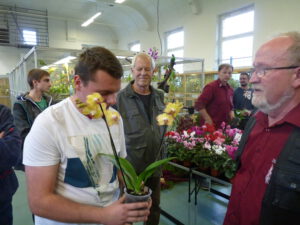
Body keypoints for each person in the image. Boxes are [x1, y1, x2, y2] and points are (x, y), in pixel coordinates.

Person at [23, 47, 151, 225]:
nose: (113, 100)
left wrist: (136, 193)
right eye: (104, 93)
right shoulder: (49, 124)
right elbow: (39, 202)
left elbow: (119, 169)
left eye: (115, 92)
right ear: (78, 83)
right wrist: (103, 216)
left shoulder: (114, 119)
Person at [224, 31, 300, 225]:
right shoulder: (256, 121)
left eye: (263, 70)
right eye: (253, 70)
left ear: (297, 75)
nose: (253, 79)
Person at [116, 52, 165, 225]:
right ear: (132, 71)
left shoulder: (160, 96)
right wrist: (119, 170)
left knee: (154, 208)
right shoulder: (120, 98)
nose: (143, 73)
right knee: (126, 210)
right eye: (139, 69)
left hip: (154, 162)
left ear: (154, 71)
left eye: (147, 69)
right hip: (131, 165)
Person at [13, 68, 54, 170]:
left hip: (52, 151)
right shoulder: (20, 105)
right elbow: (23, 133)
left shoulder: (51, 101)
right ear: (35, 82)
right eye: (46, 80)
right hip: (35, 153)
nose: (50, 84)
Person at [0, 104, 22, 225]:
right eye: (47, 82)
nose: (50, 84)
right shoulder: (21, 105)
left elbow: (12, 153)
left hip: (3, 197)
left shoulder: (2, 112)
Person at [194, 63, 234, 129]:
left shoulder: (230, 90)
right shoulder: (211, 87)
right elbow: (198, 104)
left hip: (224, 127)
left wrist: (231, 113)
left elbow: (230, 106)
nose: (227, 75)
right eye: (224, 72)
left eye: (229, 73)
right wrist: (207, 119)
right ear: (218, 73)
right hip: (211, 126)